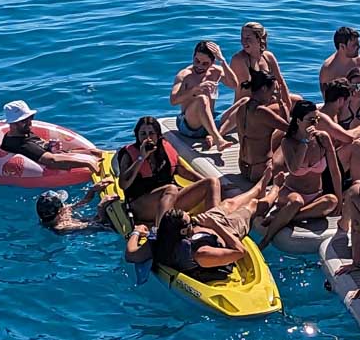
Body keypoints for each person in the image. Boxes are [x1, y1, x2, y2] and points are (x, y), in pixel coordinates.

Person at [126, 175, 277, 275]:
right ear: (185, 231)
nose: (192, 219)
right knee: (252, 206)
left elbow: (131, 254)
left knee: (229, 203)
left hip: (208, 221)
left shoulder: (159, 240)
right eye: (190, 221)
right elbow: (239, 252)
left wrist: (136, 232)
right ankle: (276, 189)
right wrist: (216, 226)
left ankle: (258, 188)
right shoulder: (200, 253)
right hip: (226, 230)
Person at [259, 100, 341, 248]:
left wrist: (340, 200)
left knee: (332, 201)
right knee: (296, 202)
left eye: (316, 119)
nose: (314, 123)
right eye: (310, 120)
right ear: (298, 121)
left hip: (315, 195)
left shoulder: (323, 139)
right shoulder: (288, 142)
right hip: (291, 193)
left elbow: (335, 172)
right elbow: (295, 169)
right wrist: (304, 142)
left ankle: (285, 217)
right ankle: (267, 238)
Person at [114, 116, 202, 226]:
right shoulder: (128, 154)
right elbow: (123, 184)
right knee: (171, 188)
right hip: (141, 206)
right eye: (143, 134)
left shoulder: (165, 147)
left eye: (151, 133)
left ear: (158, 135)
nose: (147, 138)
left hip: (168, 200)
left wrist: (203, 181)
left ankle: (211, 222)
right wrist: (141, 158)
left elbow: (182, 171)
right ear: (137, 135)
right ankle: (161, 230)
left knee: (211, 183)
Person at [219, 71, 288, 182]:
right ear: (264, 88)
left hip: (244, 168)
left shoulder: (242, 107)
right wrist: (281, 102)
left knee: (278, 134)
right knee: (291, 139)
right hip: (262, 172)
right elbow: (289, 128)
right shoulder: (262, 112)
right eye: (273, 90)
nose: (273, 94)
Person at [169, 41, 238, 149]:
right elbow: (173, 101)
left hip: (210, 121)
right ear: (193, 57)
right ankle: (218, 139)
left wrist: (223, 61)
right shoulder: (185, 75)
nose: (199, 66)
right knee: (202, 98)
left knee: (246, 102)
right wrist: (195, 90)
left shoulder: (216, 71)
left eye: (205, 63)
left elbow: (234, 85)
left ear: (212, 62)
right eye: (197, 61)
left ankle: (213, 136)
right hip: (189, 125)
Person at [0, 100, 101, 172]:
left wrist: (50, 146)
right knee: (91, 159)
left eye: (30, 118)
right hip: (52, 164)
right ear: (12, 124)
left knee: (94, 152)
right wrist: (87, 163)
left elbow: (41, 146)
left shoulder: (23, 132)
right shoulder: (21, 144)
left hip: (56, 154)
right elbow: (52, 161)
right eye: (24, 121)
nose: (29, 123)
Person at [229, 22, 293, 110]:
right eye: (242, 37)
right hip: (246, 108)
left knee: (297, 99)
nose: (243, 41)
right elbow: (246, 94)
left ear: (259, 39)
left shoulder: (268, 57)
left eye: (248, 38)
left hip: (267, 100)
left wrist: (288, 105)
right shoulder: (239, 60)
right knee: (278, 108)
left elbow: (281, 82)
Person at [35, 185, 112, 234]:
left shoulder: (49, 214)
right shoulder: (63, 227)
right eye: (63, 203)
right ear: (60, 211)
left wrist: (92, 190)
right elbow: (101, 223)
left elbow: (82, 203)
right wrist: (101, 207)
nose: (66, 205)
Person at [319, 26, 360, 92]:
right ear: (342, 46)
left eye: (358, 44)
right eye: (354, 45)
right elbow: (327, 99)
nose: (359, 47)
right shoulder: (328, 69)